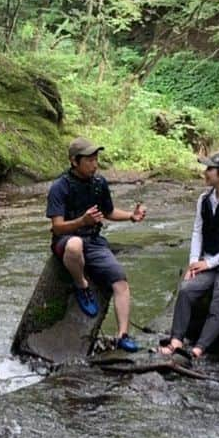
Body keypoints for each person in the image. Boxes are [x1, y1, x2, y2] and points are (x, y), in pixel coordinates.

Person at [46, 137, 147, 351]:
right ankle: (81, 285)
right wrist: (81, 221)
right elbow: (57, 227)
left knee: (120, 282)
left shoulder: (99, 183)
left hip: (93, 241)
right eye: (90, 160)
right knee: (74, 245)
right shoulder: (60, 186)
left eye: (96, 159)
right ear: (75, 161)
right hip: (66, 240)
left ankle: (123, 335)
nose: (95, 164)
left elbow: (108, 212)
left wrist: (131, 216)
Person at [158, 150, 219, 361]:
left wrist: (209, 263)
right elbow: (197, 232)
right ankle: (176, 340)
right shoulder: (204, 199)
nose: (205, 172)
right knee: (186, 290)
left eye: (209, 169)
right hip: (208, 262)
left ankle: (199, 349)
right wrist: (193, 263)